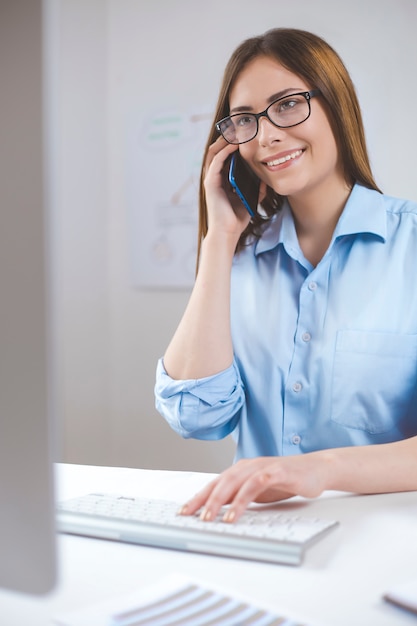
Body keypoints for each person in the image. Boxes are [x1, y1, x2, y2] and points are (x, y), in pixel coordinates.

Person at [154, 27, 417, 523]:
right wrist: (219, 241)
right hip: (259, 537)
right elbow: (196, 416)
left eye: (288, 104)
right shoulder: (238, 258)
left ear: (336, 103)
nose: (267, 134)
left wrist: (322, 470)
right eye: (245, 120)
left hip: (389, 544)